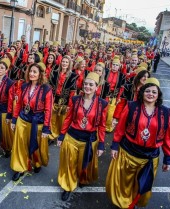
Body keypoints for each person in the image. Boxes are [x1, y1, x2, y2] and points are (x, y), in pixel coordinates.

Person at [106, 77, 170, 209]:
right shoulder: (131, 106)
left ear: (158, 94)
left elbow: (168, 137)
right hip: (128, 152)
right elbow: (120, 129)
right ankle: (122, 204)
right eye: (148, 91)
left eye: (154, 92)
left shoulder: (165, 112)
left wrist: (168, 158)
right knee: (124, 182)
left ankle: (133, 203)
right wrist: (114, 145)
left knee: (141, 185)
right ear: (142, 92)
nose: (151, 94)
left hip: (149, 158)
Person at [57, 72, 108, 201]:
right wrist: (61, 135)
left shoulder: (102, 104)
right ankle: (68, 186)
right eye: (85, 84)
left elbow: (102, 126)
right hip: (72, 137)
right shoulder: (75, 99)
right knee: (69, 163)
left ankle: (81, 178)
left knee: (83, 165)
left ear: (97, 87)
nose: (87, 87)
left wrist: (101, 144)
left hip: (89, 140)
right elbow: (68, 119)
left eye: (91, 84)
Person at [10, 62, 53, 181]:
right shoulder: (24, 86)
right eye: (30, 71)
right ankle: (20, 168)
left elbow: (48, 110)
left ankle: (37, 162)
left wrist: (46, 128)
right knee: (20, 145)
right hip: (22, 119)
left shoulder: (46, 89)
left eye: (35, 72)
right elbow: (18, 104)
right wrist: (14, 120)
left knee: (36, 145)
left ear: (40, 75)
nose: (31, 74)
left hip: (37, 122)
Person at [48, 55, 77, 141]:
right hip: (54, 99)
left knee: (62, 119)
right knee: (52, 119)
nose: (64, 63)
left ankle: (61, 135)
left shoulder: (72, 76)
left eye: (66, 62)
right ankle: (52, 135)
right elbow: (49, 87)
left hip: (65, 101)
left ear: (69, 64)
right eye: (63, 62)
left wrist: (69, 105)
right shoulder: (54, 72)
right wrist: (50, 100)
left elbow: (72, 92)